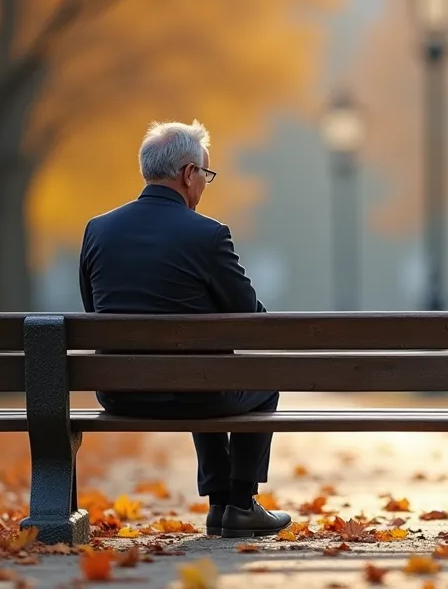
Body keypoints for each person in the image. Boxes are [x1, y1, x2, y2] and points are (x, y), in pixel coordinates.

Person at [79, 120, 290, 538]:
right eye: (205, 175)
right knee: (248, 377)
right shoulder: (207, 234)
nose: (204, 186)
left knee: (198, 371)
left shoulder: (97, 230)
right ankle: (239, 505)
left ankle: (219, 502)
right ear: (188, 173)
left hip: (121, 395)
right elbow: (249, 316)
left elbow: (93, 312)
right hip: (196, 395)